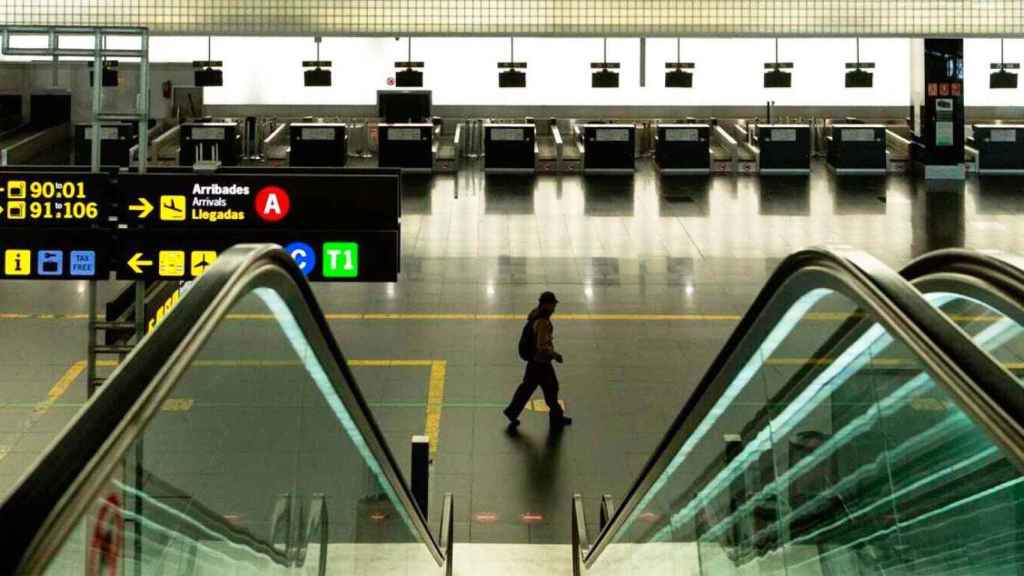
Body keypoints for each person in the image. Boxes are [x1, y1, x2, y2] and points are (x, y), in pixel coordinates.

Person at [503, 291, 572, 428]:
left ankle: (512, 412)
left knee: (527, 388)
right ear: (547, 305)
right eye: (553, 305)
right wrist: (555, 355)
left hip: (534, 362)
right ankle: (556, 417)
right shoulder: (542, 322)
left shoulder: (536, 314)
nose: (554, 308)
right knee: (551, 388)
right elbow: (542, 345)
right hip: (541, 362)